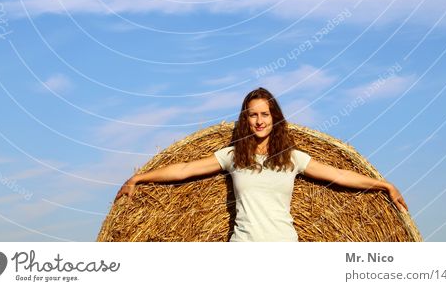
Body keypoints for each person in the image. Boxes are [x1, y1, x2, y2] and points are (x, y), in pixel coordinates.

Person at [114, 86, 408, 242]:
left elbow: (338, 174)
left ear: (274, 117)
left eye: (264, 114)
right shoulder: (233, 156)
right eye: (253, 115)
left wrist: (383, 184)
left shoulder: (291, 158)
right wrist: (139, 178)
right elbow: (185, 169)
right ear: (246, 119)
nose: (259, 121)